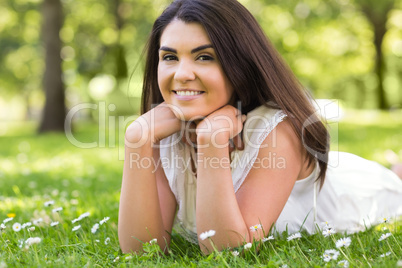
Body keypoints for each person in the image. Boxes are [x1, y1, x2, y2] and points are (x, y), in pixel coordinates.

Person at [118, 0, 402, 254]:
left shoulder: (280, 130)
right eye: (170, 57)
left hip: (361, 196)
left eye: (205, 57)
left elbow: (226, 250)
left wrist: (212, 143)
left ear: (240, 63)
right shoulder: (165, 131)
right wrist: (137, 140)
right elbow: (142, 248)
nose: (182, 74)